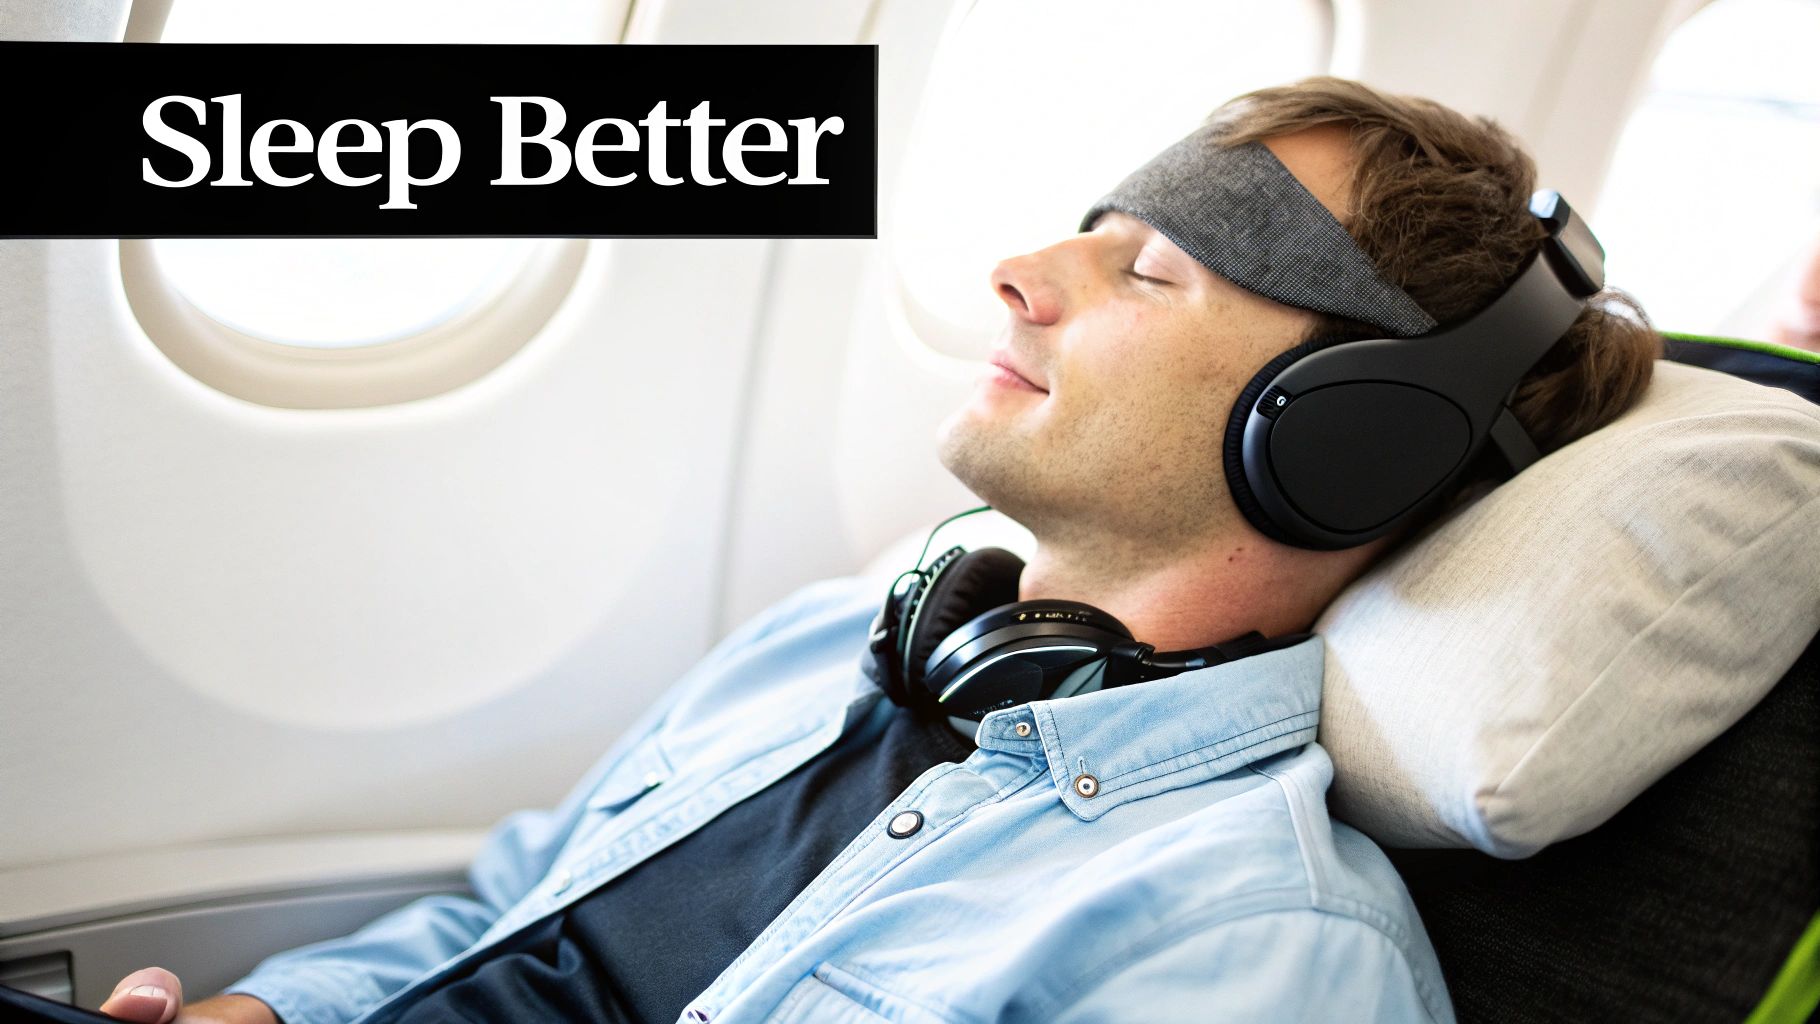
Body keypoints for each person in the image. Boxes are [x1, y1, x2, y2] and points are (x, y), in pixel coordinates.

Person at [95, 76, 1660, 1024]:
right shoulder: (840, 643)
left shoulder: (1244, 946)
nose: (1017, 272)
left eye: (1156, 269)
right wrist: (268, 1005)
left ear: (1347, 432)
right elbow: (504, 916)